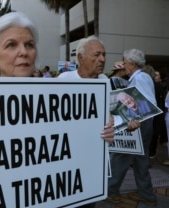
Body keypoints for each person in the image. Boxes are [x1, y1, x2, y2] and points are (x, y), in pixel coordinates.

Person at [0, 12, 114, 208]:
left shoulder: (60, 96)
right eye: (11, 45)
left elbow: (76, 146)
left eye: (29, 45)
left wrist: (102, 132)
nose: (23, 52)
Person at [58, 36, 139, 208]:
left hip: (94, 160)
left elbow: (109, 116)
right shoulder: (65, 79)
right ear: (81, 58)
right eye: (97, 54)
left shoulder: (104, 81)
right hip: (67, 161)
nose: (102, 59)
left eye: (104, 54)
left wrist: (126, 124)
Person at [108, 48, 157, 206]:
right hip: (143, 123)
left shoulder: (140, 78)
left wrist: (135, 121)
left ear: (133, 63)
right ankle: (147, 194)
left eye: (125, 62)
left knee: (120, 157)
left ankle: (111, 191)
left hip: (137, 124)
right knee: (140, 159)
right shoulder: (143, 77)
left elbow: (148, 104)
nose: (123, 65)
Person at [142, 65, 168, 158]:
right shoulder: (158, 86)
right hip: (158, 113)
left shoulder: (147, 85)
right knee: (153, 135)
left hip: (147, 113)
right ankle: (151, 155)